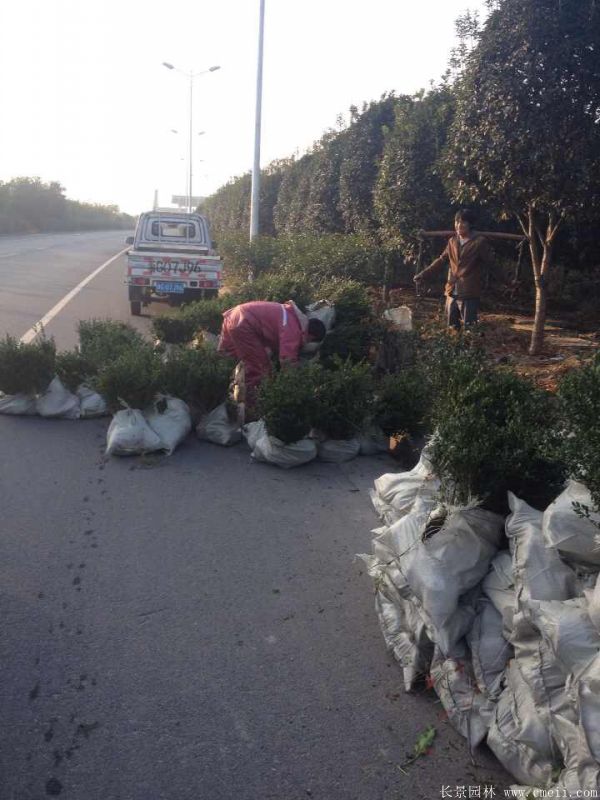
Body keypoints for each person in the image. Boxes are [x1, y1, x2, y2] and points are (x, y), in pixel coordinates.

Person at [217, 299, 326, 409]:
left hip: (234, 314)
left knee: (227, 358)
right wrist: (294, 385)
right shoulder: (294, 330)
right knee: (261, 370)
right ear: (311, 337)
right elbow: (287, 361)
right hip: (245, 323)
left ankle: (218, 393)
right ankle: (251, 408)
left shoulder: (291, 315)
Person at [413, 209, 493, 329]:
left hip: (469, 293)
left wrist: (508, 282)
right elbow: (441, 260)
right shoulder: (452, 241)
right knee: (452, 329)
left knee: (470, 329)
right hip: (451, 291)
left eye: (463, 222)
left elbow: (491, 264)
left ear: (470, 224)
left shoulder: (479, 242)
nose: (459, 225)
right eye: (457, 221)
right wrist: (423, 274)